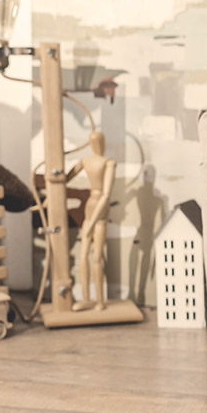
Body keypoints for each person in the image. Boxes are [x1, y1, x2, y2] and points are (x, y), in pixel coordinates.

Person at [68, 131, 116, 312]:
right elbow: (63, 178)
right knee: (83, 256)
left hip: (98, 210)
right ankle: (86, 298)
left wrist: (92, 221)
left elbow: (106, 194)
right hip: (92, 206)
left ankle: (100, 301)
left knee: (96, 258)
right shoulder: (87, 161)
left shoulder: (108, 163)